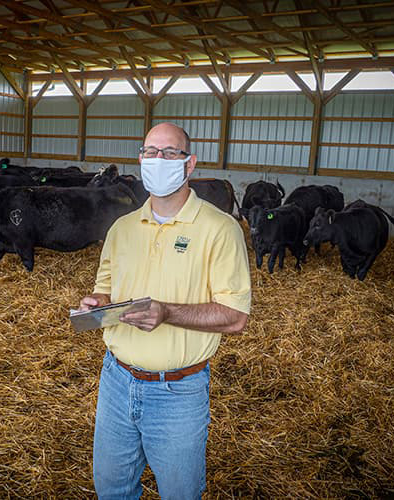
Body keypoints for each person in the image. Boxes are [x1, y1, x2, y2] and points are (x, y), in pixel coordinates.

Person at [79, 122, 252, 499]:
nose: (158, 160)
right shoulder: (122, 228)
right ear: (140, 159)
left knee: (179, 492)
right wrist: (96, 306)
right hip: (116, 380)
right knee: (112, 488)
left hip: (177, 390)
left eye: (169, 153)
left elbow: (236, 317)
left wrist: (167, 313)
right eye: (150, 152)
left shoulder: (220, 229)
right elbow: (104, 290)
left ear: (188, 165)